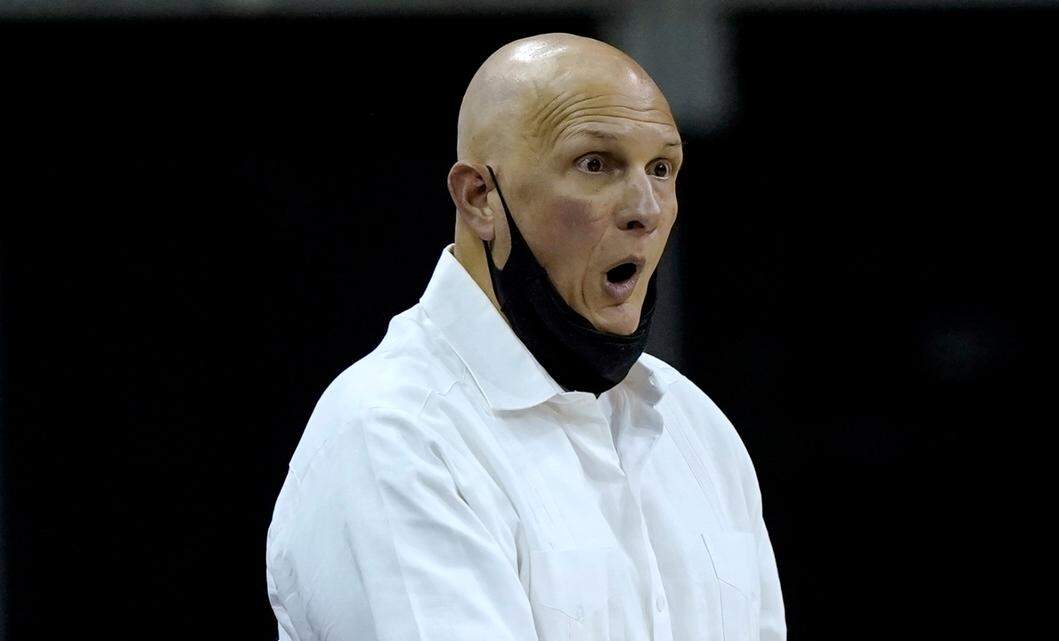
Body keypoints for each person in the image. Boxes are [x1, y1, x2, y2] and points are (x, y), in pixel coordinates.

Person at [265, 32, 786, 641]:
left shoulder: (696, 428)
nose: (645, 207)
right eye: (596, 164)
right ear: (480, 197)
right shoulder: (393, 433)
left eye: (662, 168)